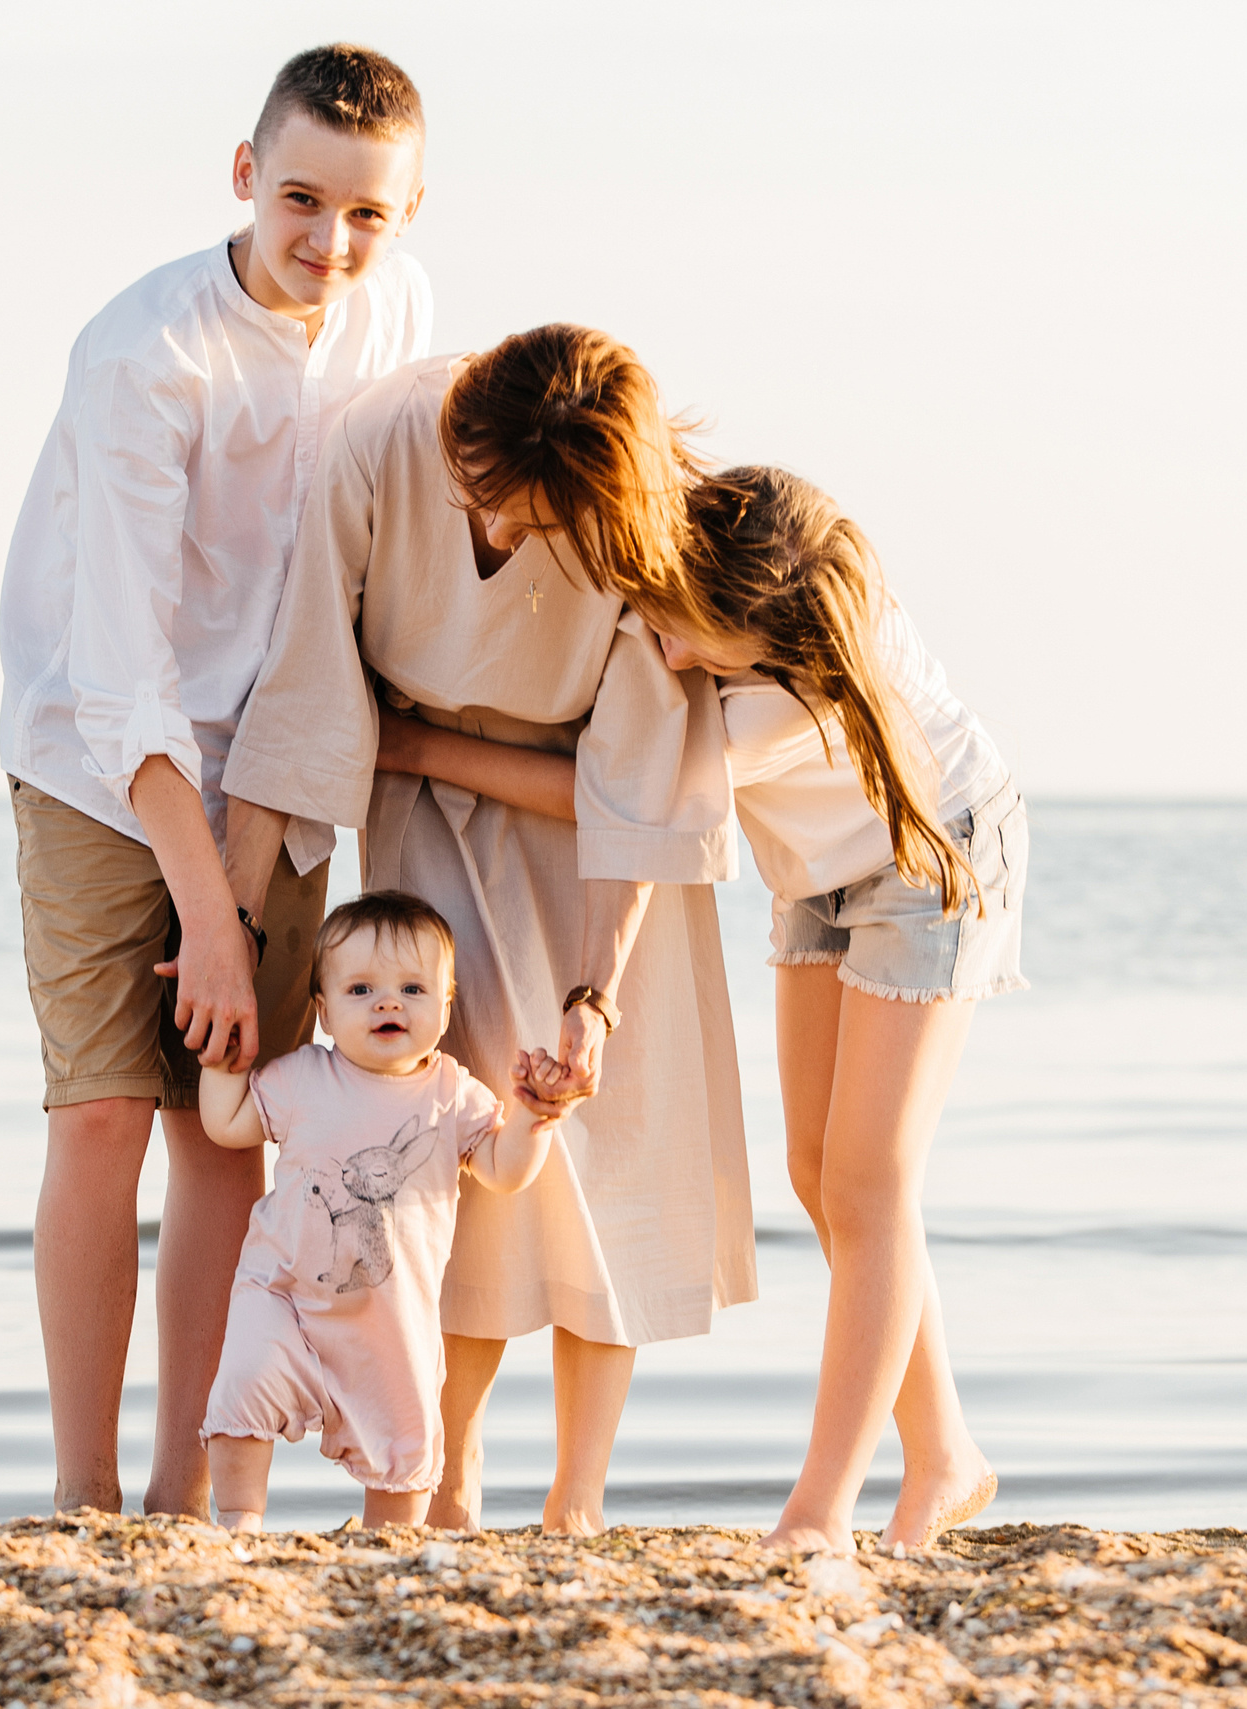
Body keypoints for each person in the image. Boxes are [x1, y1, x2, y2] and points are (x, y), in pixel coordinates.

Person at [375, 465, 1026, 1552]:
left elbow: (613, 792)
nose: (665, 654)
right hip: (817, 872)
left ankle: (822, 1510)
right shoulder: (743, 535)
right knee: (820, 1176)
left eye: (688, 641)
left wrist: (420, 748)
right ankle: (947, 1452)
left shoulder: (790, 694)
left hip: (932, 856)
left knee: (870, 1185)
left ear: (762, 636)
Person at [209, 325, 756, 1536]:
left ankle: (577, 1498)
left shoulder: (635, 516)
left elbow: (633, 787)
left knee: (602, 1156)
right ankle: (445, 1479)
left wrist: (592, 994)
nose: (504, 538)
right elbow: (302, 699)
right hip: (429, 832)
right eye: (488, 504)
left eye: (537, 523)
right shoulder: (378, 441)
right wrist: (238, 929)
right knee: (443, 1160)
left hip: (612, 865)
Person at [0, 43, 431, 1517]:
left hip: (281, 771)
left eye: (369, 215)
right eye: (305, 200)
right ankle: (83, 1490)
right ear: (247, 177)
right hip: (99, 766)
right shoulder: (144, 357)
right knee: (107, 1113)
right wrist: (212, 916)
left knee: (226, 1130)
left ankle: (187, 1496)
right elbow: (124, 685)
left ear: (408, 214)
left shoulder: (400, 319)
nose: (332, 244)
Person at [196, 891, 573, 1531]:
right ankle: (237, 1521)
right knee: (244, 1387)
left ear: (446, 1005)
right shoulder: (303, 1078)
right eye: (362, 989)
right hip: (284, 1296)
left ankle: (389, 1544)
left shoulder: (452, 1094)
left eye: (412, 989)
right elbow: (227, 1124)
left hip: (390, 1325)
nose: (388, 1002)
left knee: (405, 1448)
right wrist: (221, 1060)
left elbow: (504, 1173)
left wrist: (535, 1118)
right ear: (323, 1010)